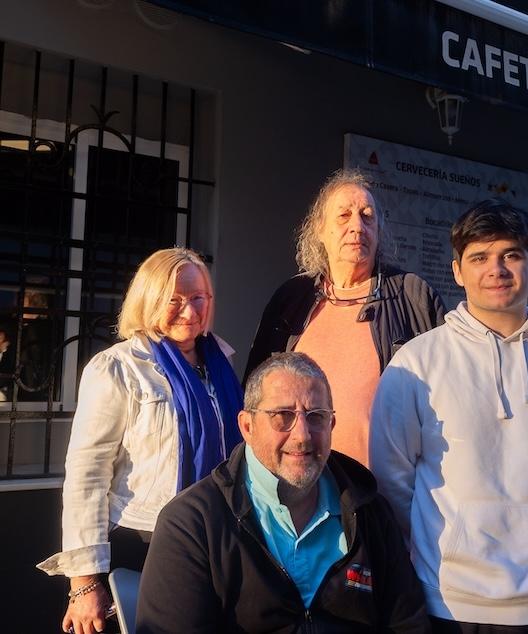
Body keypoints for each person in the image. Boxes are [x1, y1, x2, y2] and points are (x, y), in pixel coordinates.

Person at [370, 200, 528, 633]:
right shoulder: (416, 364)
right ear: (456, 271)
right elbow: (394, 479)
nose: (497, 269)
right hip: (456, 604)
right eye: (480, 257)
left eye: (511, 254)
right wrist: (449, 549)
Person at [137, 352, 430, 633]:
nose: (302, 436)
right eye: (282, 415)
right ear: (247, 426)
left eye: (315, 416)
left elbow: (406, 624)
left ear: (332, 425)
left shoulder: (369, 513)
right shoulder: (192, 524)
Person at [37, 247, 244, 634]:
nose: (189, 310)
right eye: (174, 300)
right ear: (148, 299)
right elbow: (87, 475)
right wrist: (84, 583)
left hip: (219, 538)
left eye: (198, 298)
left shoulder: (221, 363)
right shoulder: (118, 368)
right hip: (143, 543)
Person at [245, 169, 445, 466]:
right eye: (344, 216)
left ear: (379, 230)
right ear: (320, 229)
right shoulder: (291, 299)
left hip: (384, 493)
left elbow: (447, 393)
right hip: (300, 489)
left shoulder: (412, 296)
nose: (358, 226)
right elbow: (255, 394)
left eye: (367, 216)